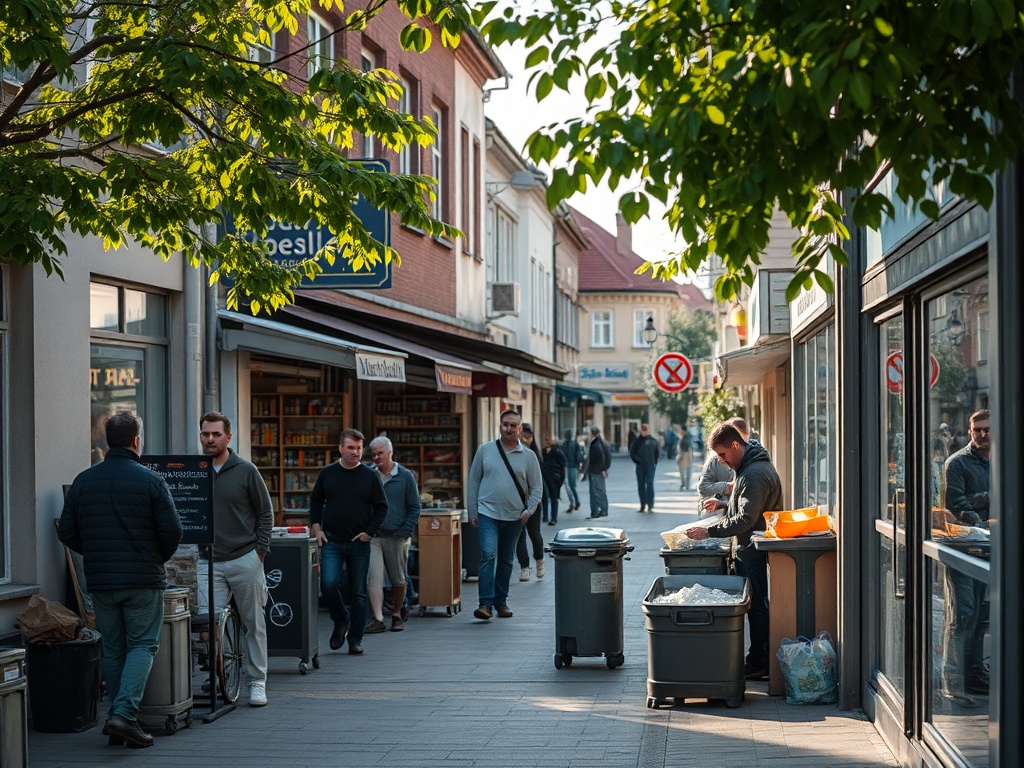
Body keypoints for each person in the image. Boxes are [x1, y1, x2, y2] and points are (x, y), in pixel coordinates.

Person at [58, 411, 182, 748]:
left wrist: (96, 553)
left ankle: (120, 715)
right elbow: (172, 531)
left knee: (113, 649)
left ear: (107, 442)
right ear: (136, 440)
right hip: (142, 579)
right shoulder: (151, 480)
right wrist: (155, 557)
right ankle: (124, 715)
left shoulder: (84, 480)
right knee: (143, 644)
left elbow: (67, 531)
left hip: (101, 581)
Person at [685, 421, 782, 680]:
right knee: (755, 605)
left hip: (752, 549)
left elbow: (745, 520)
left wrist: (709, 531)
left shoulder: (754, 473)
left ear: (736, 445)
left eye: (723, 454)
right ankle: (757, 659)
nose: (722, 461)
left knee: (757, 607)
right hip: (749, 547)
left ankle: (759, 661)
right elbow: (747, 504)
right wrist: (724, 502)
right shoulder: (749, 468)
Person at [196, 411, 274, 707]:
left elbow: (265, 512)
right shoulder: (195, 470)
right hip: (207, 560)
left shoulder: (245, 470)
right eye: (205, 434)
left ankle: (257, 681)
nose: (210, 439)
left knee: (254, 624)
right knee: (208, 624)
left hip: (244, 557)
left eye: (216, 434)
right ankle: (220, 675)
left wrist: (259, 552)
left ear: (228, 436)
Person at [310, 429, 388, 655]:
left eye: (359, 448)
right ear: (341, 448)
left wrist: (369, 532)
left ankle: (355, 639)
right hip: (332, 540)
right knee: (327, 584)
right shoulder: (328, 473)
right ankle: (341, 619)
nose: (356, 452)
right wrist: (317, 529)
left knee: (358, 592)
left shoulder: (370, 476)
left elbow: (382, 507)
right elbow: (316, 501)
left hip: (359, 542)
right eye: (351, 447)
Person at [467, 409, 542, 619]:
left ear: (520, 429)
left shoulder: (529, 456)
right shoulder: (485, 450)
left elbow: (537, 487)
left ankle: (501, 602)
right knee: (488, 555)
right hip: (487, 513)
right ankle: (485, 604)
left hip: (515, 516)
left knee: (507, 560)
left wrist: (530, 510)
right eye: (505, 425)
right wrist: (472, 510)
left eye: (512, 425)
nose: (508, 429)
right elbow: (473, 480)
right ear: (499, 426)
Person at [940, 409, 991, 705]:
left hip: (987, 547)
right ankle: (953, 681)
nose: (983, 435)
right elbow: (956, 505)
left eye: (987, 429)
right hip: (962, 547)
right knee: (963, 613)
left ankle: (973, 673)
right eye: (978, 430)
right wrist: (986, 509)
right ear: (970, 432)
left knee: (981, 614)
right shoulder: (957, 463)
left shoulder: (1000, 458)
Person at [365, 436, 420, 633]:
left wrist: (405, 531)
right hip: (374, 536)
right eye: (373, 454)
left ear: (390, 452)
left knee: (398, 580)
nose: (377, 457)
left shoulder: (405, 476)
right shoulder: (370, 475)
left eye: (380, 453)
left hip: (397, 536)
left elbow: (415, 507)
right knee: (374, 578)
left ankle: (397, 612)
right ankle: (378, 618)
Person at [697, 417, 749, 516]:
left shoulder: (749, 456)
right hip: (718, 513)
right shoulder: (716, 457)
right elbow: (703, 487)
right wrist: (727, 487)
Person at [514, 423, 546, 581]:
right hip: (516, 502)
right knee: (520, 535)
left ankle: (539, 561)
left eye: (528, 436)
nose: (525, 439)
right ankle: (524, 567)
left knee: (534, 534)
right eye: (523, 436)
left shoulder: (535, 455)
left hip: (533, 501)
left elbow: (538, 482)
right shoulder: (514, 454)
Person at [629, 423, 660, 513]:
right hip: (640, 466)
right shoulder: (637, 441)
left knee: (649, 484)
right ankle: (642, 504)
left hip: (650, 465)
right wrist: (637, 461)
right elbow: (632, 453)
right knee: (641, 485)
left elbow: (657, 453)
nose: (645, 431)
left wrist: (654, 462)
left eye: (646, 429)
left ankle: (650, 504)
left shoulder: (653, 441)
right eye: (643, 429)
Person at [583, 425, 612, 518]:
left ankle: (603, 510)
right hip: (595, 470)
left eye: (589, 432)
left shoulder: (597, 444)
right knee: (595, 491)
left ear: (592, 433)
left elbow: (602, 457)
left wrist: (603, 468)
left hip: (596, 471)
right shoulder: (598, 442)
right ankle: (595, 511)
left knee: (598, 491)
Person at [540, 433, 567, 526]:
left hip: (555, 478)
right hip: (545, 476)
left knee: (554, 498)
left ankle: (553, 518)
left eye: (548, 440)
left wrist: (561, 479)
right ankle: (546, 516)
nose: (546, 442)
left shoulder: (557, 451)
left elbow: (563, 465)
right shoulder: (543, 452)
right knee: (545, 497)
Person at [560, 428, 584, 513]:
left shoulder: (564, 445)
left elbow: (562, 456)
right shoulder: (575, 444)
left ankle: (573, 502)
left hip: (567, 467)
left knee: (568, 486)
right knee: (572, 485)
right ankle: (576, 501)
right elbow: (579, 455)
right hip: (574, 467)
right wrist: (578, 464)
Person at [676, 426, 694, 490]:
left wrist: (678, 459)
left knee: (682, 473)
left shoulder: (682, 441)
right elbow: (691, 448)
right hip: (689, 457)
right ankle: (687, 486)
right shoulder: (688, 438)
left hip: (683, 457)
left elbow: (681, 451)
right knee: (688, 472)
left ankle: (683, 485)